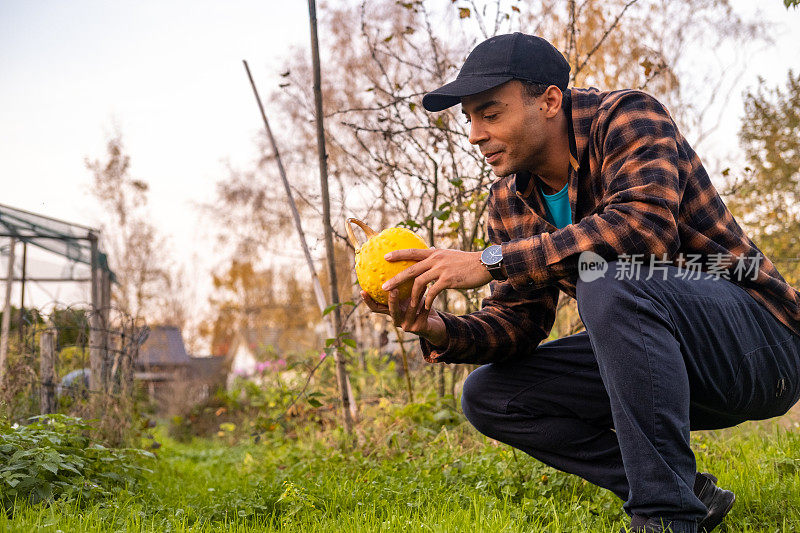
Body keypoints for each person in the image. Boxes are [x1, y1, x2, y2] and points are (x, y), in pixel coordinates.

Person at [360, 32, 800, 533]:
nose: (474, 135)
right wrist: (436, 326)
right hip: (667, 370)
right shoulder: (509, 199)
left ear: (549, 100)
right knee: (490, 396)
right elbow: (519, 324)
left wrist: (493, 259)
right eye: (470, 119)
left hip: (761, 346)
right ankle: (684, 490)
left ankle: (666, 519)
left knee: (605, 276)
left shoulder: (629, 118)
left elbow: (643, 232)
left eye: (491, 113)